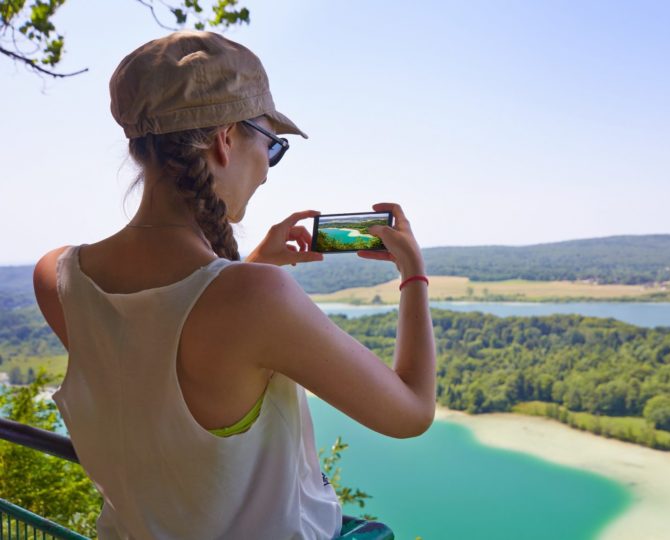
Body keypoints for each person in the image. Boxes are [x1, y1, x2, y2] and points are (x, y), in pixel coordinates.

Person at [31, 31, 436, 540]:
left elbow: (153, 364)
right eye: (273, 146)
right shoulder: (257, 300)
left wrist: (250, 266)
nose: (267, 170)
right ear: (225, 139)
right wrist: (414, 276)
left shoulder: (55, 276)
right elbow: (411, 411)